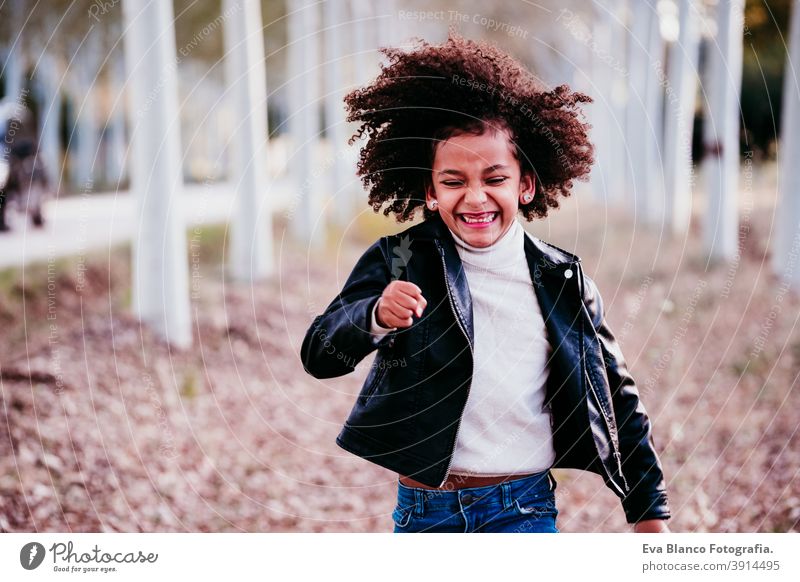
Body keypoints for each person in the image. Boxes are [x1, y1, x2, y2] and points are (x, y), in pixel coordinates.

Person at [300, 32, 671, 533]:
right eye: (454, 182)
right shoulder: (399, 259)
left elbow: (618, 397)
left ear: (525, 184)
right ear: (430, 192)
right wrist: (372, 317)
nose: (475, 198)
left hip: (523, 508)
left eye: (494, 179)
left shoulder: (561, 279)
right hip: (424, 512)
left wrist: (648, 514)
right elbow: (319, 354)